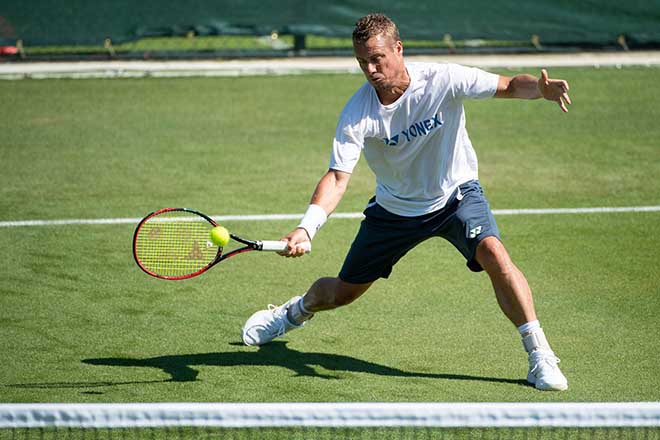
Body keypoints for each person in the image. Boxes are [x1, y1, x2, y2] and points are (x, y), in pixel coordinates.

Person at [242, 13, 571, 391]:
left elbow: (511, 85)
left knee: (494, 253)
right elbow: (337, 177)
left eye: (377, 58)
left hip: (455, 195)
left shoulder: (442, 79)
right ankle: (294, 312)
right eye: (362, 61)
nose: (370, 68)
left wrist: (540, 90)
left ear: (398, 49)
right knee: (341, 294)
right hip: (395, 212)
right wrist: (306, 226)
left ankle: (540, 355)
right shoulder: (358, 112)